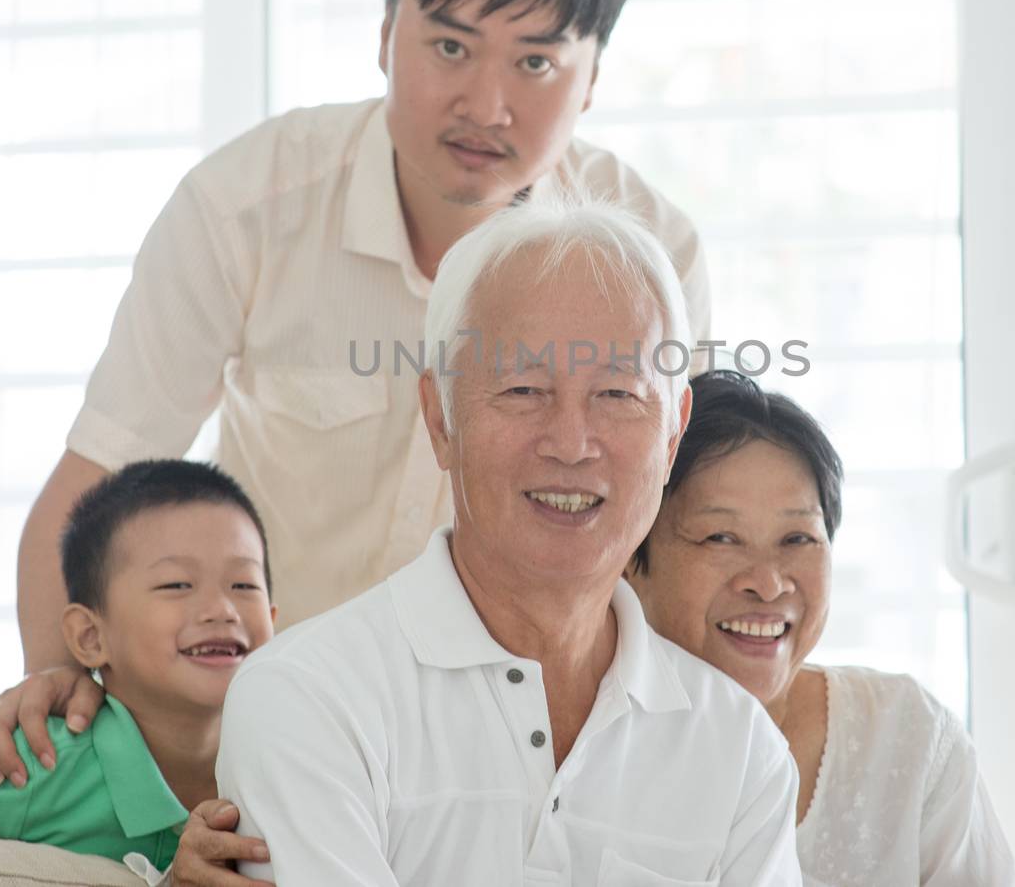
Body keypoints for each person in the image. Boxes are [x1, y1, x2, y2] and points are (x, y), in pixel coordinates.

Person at [0, 0, 711, 793]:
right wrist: (70, 715)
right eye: (448, 46)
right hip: (254, 739)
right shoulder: (247, 205)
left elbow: (668, 538)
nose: (485, 103)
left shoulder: (650, 258)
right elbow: (95, 480)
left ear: (593, 79)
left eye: (538, 61)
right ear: (386, 31)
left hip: (515, 754)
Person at [213, 194, 799, 884]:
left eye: (618, 395)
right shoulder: (310, 698)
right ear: (440, 420)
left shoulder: (739, 750)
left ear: (673, 433)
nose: (572, 445)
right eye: (523, 390)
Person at [626, 371, 1015, 886]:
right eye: (721, 537)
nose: (767, 584)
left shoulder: (909, 738)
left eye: (798, 538)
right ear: (632, 559)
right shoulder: (588, 750)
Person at [0, 461, 276, 876]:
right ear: (90, 637)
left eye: (244, 585)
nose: (222, 609)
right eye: (177, 584)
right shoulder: (39, 765)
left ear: (275, 620)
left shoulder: (290, 764)